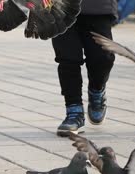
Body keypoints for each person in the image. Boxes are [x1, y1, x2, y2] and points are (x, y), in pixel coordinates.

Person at [52, 0, 117, 136]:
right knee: (67, 59)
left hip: (98, 8)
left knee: (103, 58)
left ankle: (97, 90)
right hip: (60, 7)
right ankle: (74, 112)